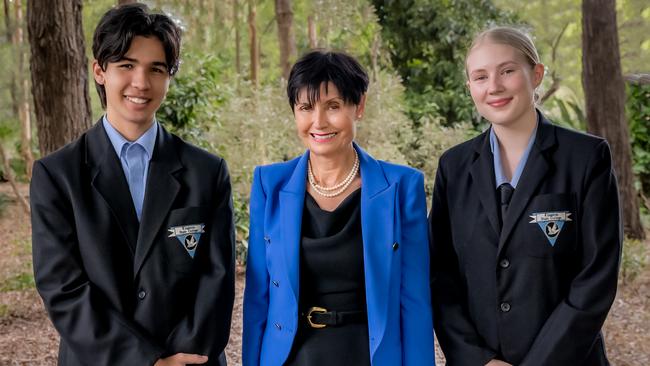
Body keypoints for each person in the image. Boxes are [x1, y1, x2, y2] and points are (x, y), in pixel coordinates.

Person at [30, 3, 234, 366]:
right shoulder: (56, 175)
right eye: (126, 65)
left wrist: (179, 360)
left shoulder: (207, 171)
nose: (141, 83)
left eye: (156, 69)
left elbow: (216, 280)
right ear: (99, 71)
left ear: (168, 78)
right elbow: (63, 288)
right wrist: (145, 361)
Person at [429, 26, 622, 366]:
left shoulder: (586, 158)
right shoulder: (454, 167)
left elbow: (596, 277)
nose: (494, 87)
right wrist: (477, 359)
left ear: (536, 74)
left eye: (507, 71)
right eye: (480, 77)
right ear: (469, 87)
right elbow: (440, 275)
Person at [242, 50, 435, 366]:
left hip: (371, 356)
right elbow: (257, 299)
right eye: (306, 107)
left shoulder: (401, 187)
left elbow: (414, 302)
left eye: (333, 106)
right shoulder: (269, 185)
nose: (318, 122)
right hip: (291, 358)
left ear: (359, 107)